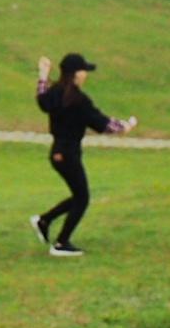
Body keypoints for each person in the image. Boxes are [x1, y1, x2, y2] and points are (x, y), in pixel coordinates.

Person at [30, 53, 136, 258]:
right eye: (84, 71)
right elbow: (101, 123)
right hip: (68, 153)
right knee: (82, 198)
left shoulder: (55, 92)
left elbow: (42, 99)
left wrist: (43, 74)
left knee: (79, 195)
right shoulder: (78, 100)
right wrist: (125, 126)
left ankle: (44, 221)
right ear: (76, 74)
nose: (85, 75)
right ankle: (61, 243)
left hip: (57, 153)